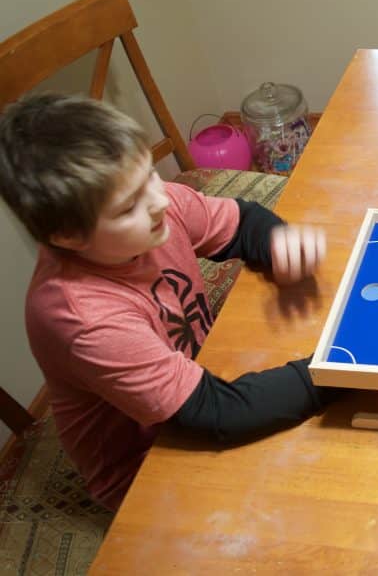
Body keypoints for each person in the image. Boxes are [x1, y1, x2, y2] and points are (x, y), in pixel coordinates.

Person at [0, 94, 341, 511]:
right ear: (69, 238)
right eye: (129, 206)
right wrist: (345, 369)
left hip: (198, 386)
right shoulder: (82, 316)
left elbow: (244, 222)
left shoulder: (154, 207)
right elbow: (218, 414)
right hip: (146, 466)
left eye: (149, 174)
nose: (161, 199)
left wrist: (279, 245)